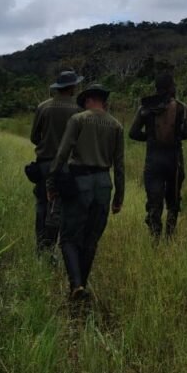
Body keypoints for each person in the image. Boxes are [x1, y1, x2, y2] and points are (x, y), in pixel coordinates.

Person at [48, 83, 125, 302]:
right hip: (103, 185)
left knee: (68, 238)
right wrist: (119, 197)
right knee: (91, 239)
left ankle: (76, 284)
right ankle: (80, 286)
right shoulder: (116, 125)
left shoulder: (78, 120)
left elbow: (62, 153)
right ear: (103, 100)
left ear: (89, 100)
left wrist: (52, 183)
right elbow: (119, 165)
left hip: (80, 182)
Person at [129, 71, 187, 239]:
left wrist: (149, 138)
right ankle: (170, 235)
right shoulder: (181, 107)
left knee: (154, 200)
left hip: (154, 159)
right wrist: (177, 137)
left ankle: (155, 237)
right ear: (170, 87)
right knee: (174, 200)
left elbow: (133, 133)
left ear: (157, 88)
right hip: (175, 159)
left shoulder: (145, 107)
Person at [28, 69, 81, 252]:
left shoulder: (43, 107)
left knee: (42, 204)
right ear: (72, 87)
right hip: (68, 165)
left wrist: (47, 144)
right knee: (63, 207)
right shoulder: (78, 109)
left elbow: (34, 137)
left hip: (44, 163)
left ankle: (41, 245)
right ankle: (56, 246)